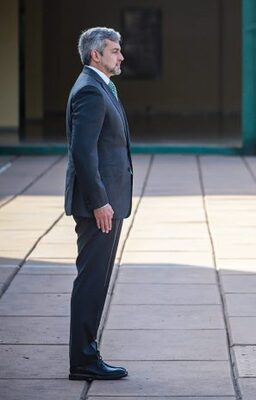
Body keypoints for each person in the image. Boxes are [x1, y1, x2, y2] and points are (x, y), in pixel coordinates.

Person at [65, 27, 132, 381]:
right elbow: (82, 152)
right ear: (96, 55)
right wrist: (100, 202)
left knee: (96, 280)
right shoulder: (91, 90)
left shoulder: (100, 85)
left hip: (106, 201)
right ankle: (84, 361)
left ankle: (86, 355)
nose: (120, 57)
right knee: (91, 281)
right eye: (115, 51)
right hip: (98, 206)